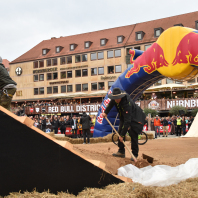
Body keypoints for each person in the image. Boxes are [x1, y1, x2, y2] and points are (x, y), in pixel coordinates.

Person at [102, 87, 145, 160]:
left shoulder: (127, 104)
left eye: (117, 98)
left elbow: (127, 121)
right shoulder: (115, 98)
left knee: (133, 134)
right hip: (123, 116)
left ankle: (134, 154)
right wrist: (105, 112)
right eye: (115, 98)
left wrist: (122, 135)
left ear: (121, 97)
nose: (116, 100)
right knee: (119, 132)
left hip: (135, 117)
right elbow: (110, 104)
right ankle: (121, 151)